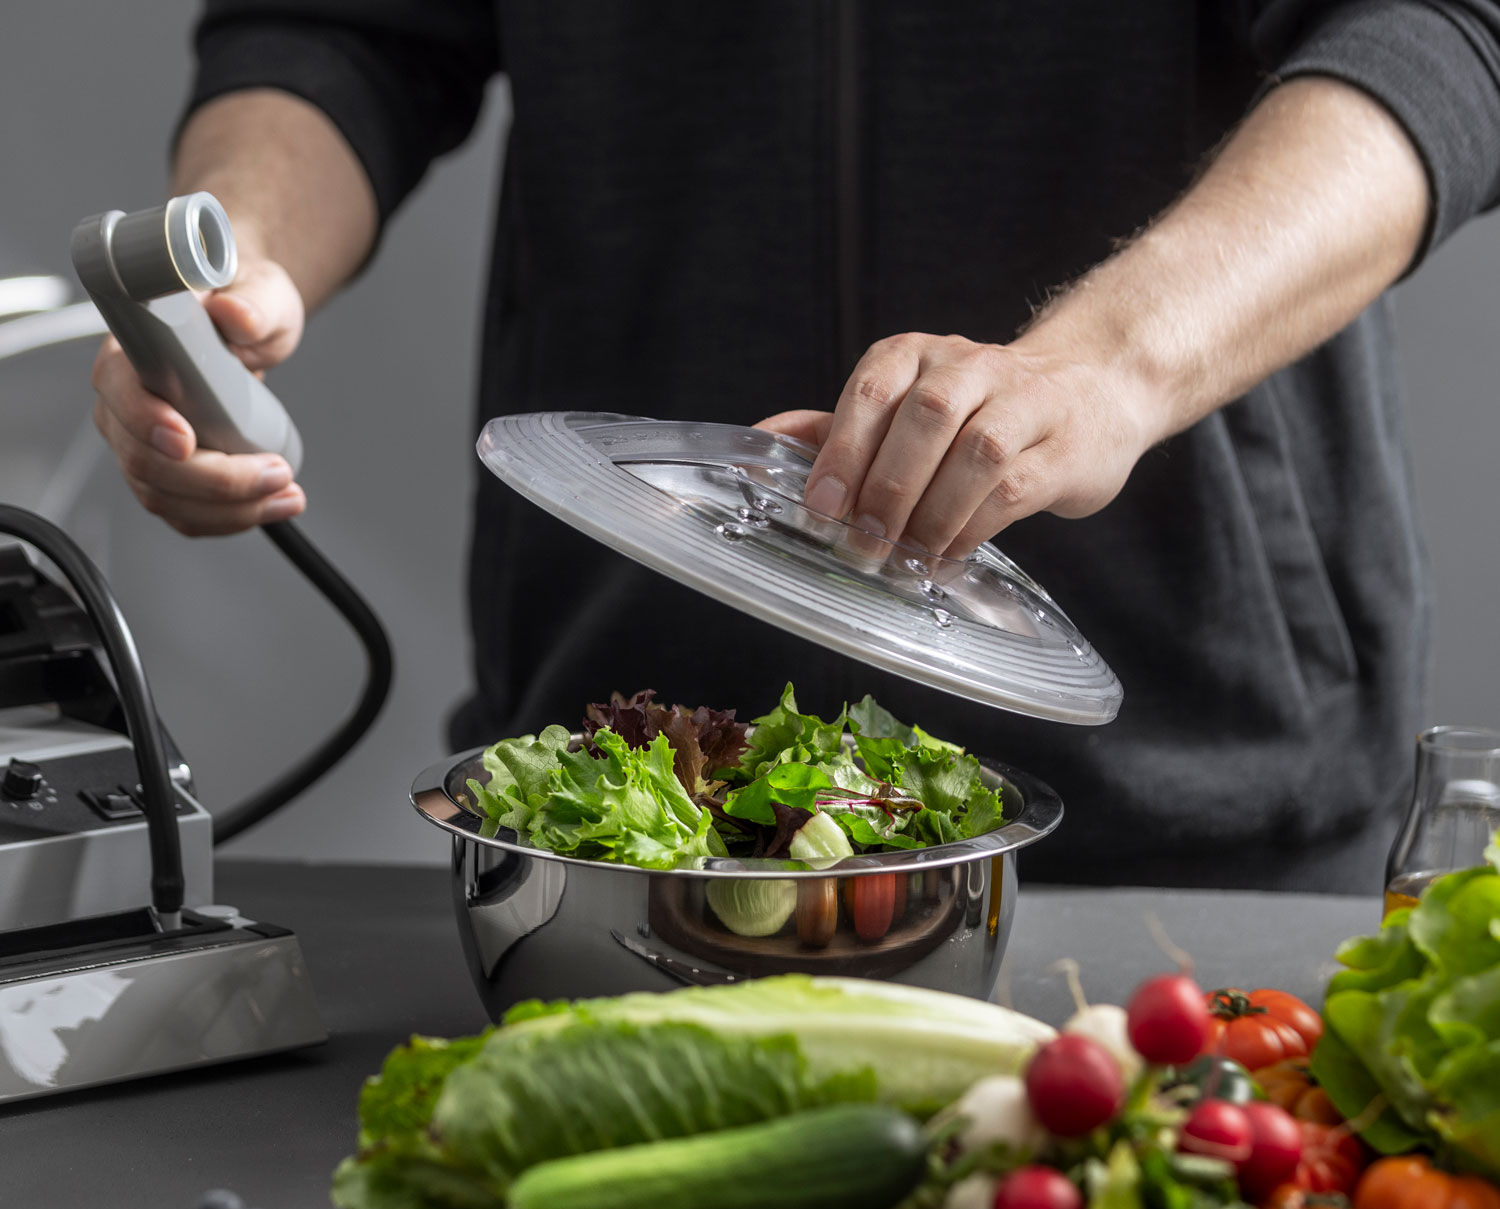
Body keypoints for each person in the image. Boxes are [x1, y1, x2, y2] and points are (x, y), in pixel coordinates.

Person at [91, 3, 1500, 892]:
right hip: (627, 822)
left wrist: (1114, 363)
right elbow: (344, 29)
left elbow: (1439, 28)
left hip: (1196, 820)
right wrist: (231, 272)